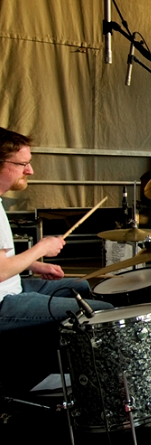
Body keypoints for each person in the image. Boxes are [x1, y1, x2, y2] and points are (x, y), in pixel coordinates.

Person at [1, 127, 112, 336]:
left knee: (82, 286)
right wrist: (41, 248)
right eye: (23, 164)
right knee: (102, 312)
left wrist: (34, 265)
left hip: (12, 286)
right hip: (3, 302)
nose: (30, 171)